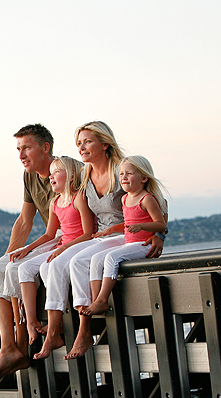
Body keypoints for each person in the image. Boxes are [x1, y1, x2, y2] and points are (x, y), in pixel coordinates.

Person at [64, 121, 165, 360]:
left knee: (84, 260)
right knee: (76, 262)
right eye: (79, 143)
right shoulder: (84, 175)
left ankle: (85, 328)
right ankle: (86, 321)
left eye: (88, 141)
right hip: (102, 236)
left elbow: (157, 201)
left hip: (126, 236)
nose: (82, 147)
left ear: (105, 143)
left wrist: (159, 234)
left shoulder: (124, 169)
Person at [0, 124, 57, 381]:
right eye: (18, 149)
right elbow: (25, 221)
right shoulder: (29, 176)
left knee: (16, 269)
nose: (21, 155)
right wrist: (7, 257)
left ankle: (22, 344)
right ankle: (9, 348)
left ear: (45, 147)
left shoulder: (66, 171)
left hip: (65, 238)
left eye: (26, 147)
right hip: (46, 240)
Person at [12, 156, 94, 360]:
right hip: (62, 246)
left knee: (52, 266)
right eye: (51, 173)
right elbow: (50, 235)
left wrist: (64, 248)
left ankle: (53, 332)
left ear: (72, 176)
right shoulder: (55, 202)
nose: (51, 176)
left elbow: (88, 232)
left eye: (57, 171)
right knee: (24, 268)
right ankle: (32, 322)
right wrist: (27, 249)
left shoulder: (79, 198)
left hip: (78, 246)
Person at [81, 156, 168, 316]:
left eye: (129, 174)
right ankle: (96, 299)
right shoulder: (124, 198)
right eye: (121, 174)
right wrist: (112, 229)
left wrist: (142, 226)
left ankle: (102, 300)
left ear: (144, 178)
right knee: (96, 259)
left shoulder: (147, 199)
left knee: (111, 258)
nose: (124, 177)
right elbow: (129, 225)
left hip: (144, 245)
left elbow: (161, 224)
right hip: (130, 244)